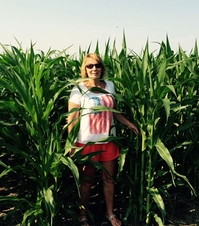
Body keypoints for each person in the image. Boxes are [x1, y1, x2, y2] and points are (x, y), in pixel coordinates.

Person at [67, 53, 139, 226]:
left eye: (97, 65)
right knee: (86, 183)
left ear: (102, 68)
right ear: (84, 68)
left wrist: (128, 123)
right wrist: (70, 142)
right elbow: (72, 118)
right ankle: (82, 215)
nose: (94, 69)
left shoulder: (110, 86)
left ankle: (110, 213)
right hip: (87, 142)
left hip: (108, 141)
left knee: (109, 179)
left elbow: (113, 111)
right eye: (90, 66)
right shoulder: (78, 89)